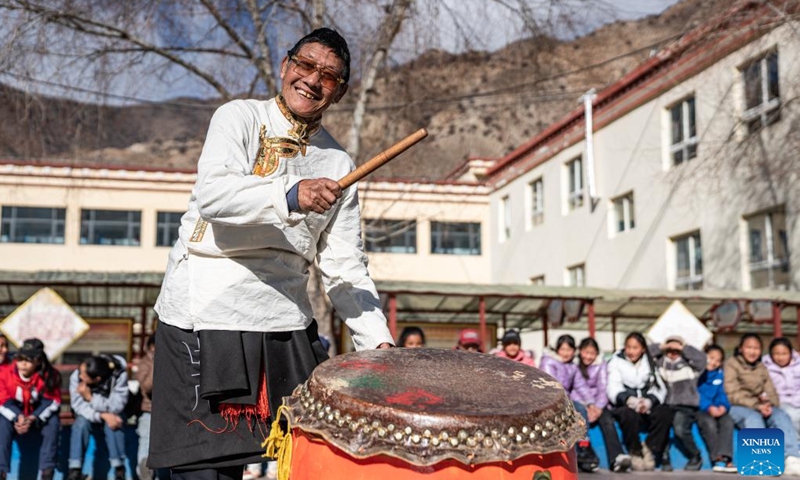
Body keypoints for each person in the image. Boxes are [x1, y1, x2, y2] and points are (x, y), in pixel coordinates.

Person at [149, 27, 394, 479]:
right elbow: (215, 196)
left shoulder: (340, 164)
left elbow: (344, 267)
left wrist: (376, 341)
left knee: (307, 462)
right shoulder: (237, 117)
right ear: (285, 67)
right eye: (305, 65)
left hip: (283, 323)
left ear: (339, 93)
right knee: (205, 471)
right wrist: (291, 193)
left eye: (329, 76)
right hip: (203, 312)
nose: (313, 80)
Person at [725, 333, 800, 475]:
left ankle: (791, 458)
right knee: (753, 418)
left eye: (756, 348)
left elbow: (770, 390)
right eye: (749, 347)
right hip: (737, 406)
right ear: (741, 348)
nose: (752, 351)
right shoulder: (732, 364)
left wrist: (770, 404)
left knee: (781, 416)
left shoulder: (761, 367)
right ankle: (761, 462)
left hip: (759, 406)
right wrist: (757, 405)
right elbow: (732, 393)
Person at [607, 332, 671, 472]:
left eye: (635, 348)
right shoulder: (616, 361)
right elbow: (613, 387)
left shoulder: (650, 362)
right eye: (628, 347)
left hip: (646, 404)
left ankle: (649, 448)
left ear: (642, 349)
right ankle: (635, 451)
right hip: (626, 405)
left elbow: (660, 389)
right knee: (627, 415)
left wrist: (648, 402)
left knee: (665, 412)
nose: (631, 351)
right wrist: (630, 400)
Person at [0, 339, 61, 480]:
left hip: (38, 414)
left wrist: (34, 417)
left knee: (53, 423)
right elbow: (3, 401)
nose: (23, 363)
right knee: (2, 424)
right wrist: (18, 417)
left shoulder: (50, 375)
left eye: (28, 360)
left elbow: (53, 401)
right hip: (14, 413)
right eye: (20, 359)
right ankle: (1, 470)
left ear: (38, 362)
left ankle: (47, 470)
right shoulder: (5, 374)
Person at [571, 337, 631, 473]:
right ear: (580, 351)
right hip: (580, 403)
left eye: (592, 353)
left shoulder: (601, 365)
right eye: (586, 352)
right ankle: (584, 457)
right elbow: (575, 389)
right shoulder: (573, 366)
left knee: (607, 420)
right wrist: (587, 406)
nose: (588, 356)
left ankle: (617, 457)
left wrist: (597, 408)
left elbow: (603, 388)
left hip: (598, 405)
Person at [540, 334, 598, 473]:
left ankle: (583, 447)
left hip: (566, 400)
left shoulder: (572, 367)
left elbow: (581, 386)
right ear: (557, 350)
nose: (566, 353)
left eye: (569, 350)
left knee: (581, 409)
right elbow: (550, 384)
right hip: (550, 399)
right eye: (563, 349)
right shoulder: (549, 362)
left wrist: (591, 403)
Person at [68, 354, 129, 480]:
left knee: (114, 423)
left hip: (113, 412)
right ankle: (75, 470)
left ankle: (119, 469)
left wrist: (91, 398)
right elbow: (78, 406)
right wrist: (102, 415)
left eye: (84, 376)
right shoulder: (77, 375)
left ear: (97, 379)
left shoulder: (118, 374)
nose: (80, 376)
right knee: (80, 424)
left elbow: (117, 406)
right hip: (88, 413)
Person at [652, 335, 706, 471]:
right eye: (669, 350)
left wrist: (683, 348)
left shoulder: (690, 365)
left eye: (676, 350)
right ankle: (664, 457)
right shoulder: (659, 363)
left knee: (680, 428)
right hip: (664, 404)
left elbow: (702, 360)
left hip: (685, 404)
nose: (672, 353)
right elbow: (645, 352)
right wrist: (661, 346)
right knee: (662, 424)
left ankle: (695, 455)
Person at [696, 344, 736, 473]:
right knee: (709, 424)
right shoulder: (697, 373)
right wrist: (708, 407)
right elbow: (696, 394)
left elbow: (722, 393)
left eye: (718, 360)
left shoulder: (720, 375)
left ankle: (726, 457)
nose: (713, 362)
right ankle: (716, 458)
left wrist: (723, 407)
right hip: (700, 410)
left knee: (728, 422)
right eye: (711, 358)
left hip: (718, 408)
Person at [763, 337, 800, 435]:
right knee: (792, 416)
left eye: (784, 354)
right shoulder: (765, 368)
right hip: (780, 402)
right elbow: (762, 388)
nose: (780, 357)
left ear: (790, 354)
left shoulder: (798, 365)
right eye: (777, 354)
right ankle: (795, 444)